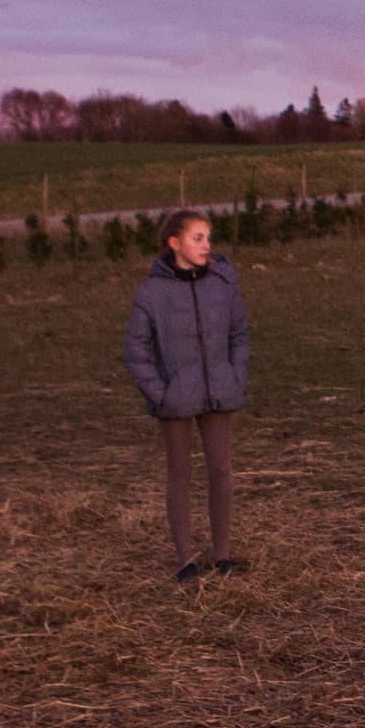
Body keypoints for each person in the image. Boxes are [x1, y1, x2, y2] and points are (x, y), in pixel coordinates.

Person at [123, 208, 248, 580]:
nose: (206, 245)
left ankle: (222, 556)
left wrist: (234, 377)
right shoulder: (151, 293)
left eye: (208, 237)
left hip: (220, 391)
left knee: (221, 471)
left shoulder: (223, 284)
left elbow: (239, 335)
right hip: (175, 399)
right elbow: (135, 352)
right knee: (180, 474)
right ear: (174, 243)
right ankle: (185, 561)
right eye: (197, 238)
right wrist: (161, 394)